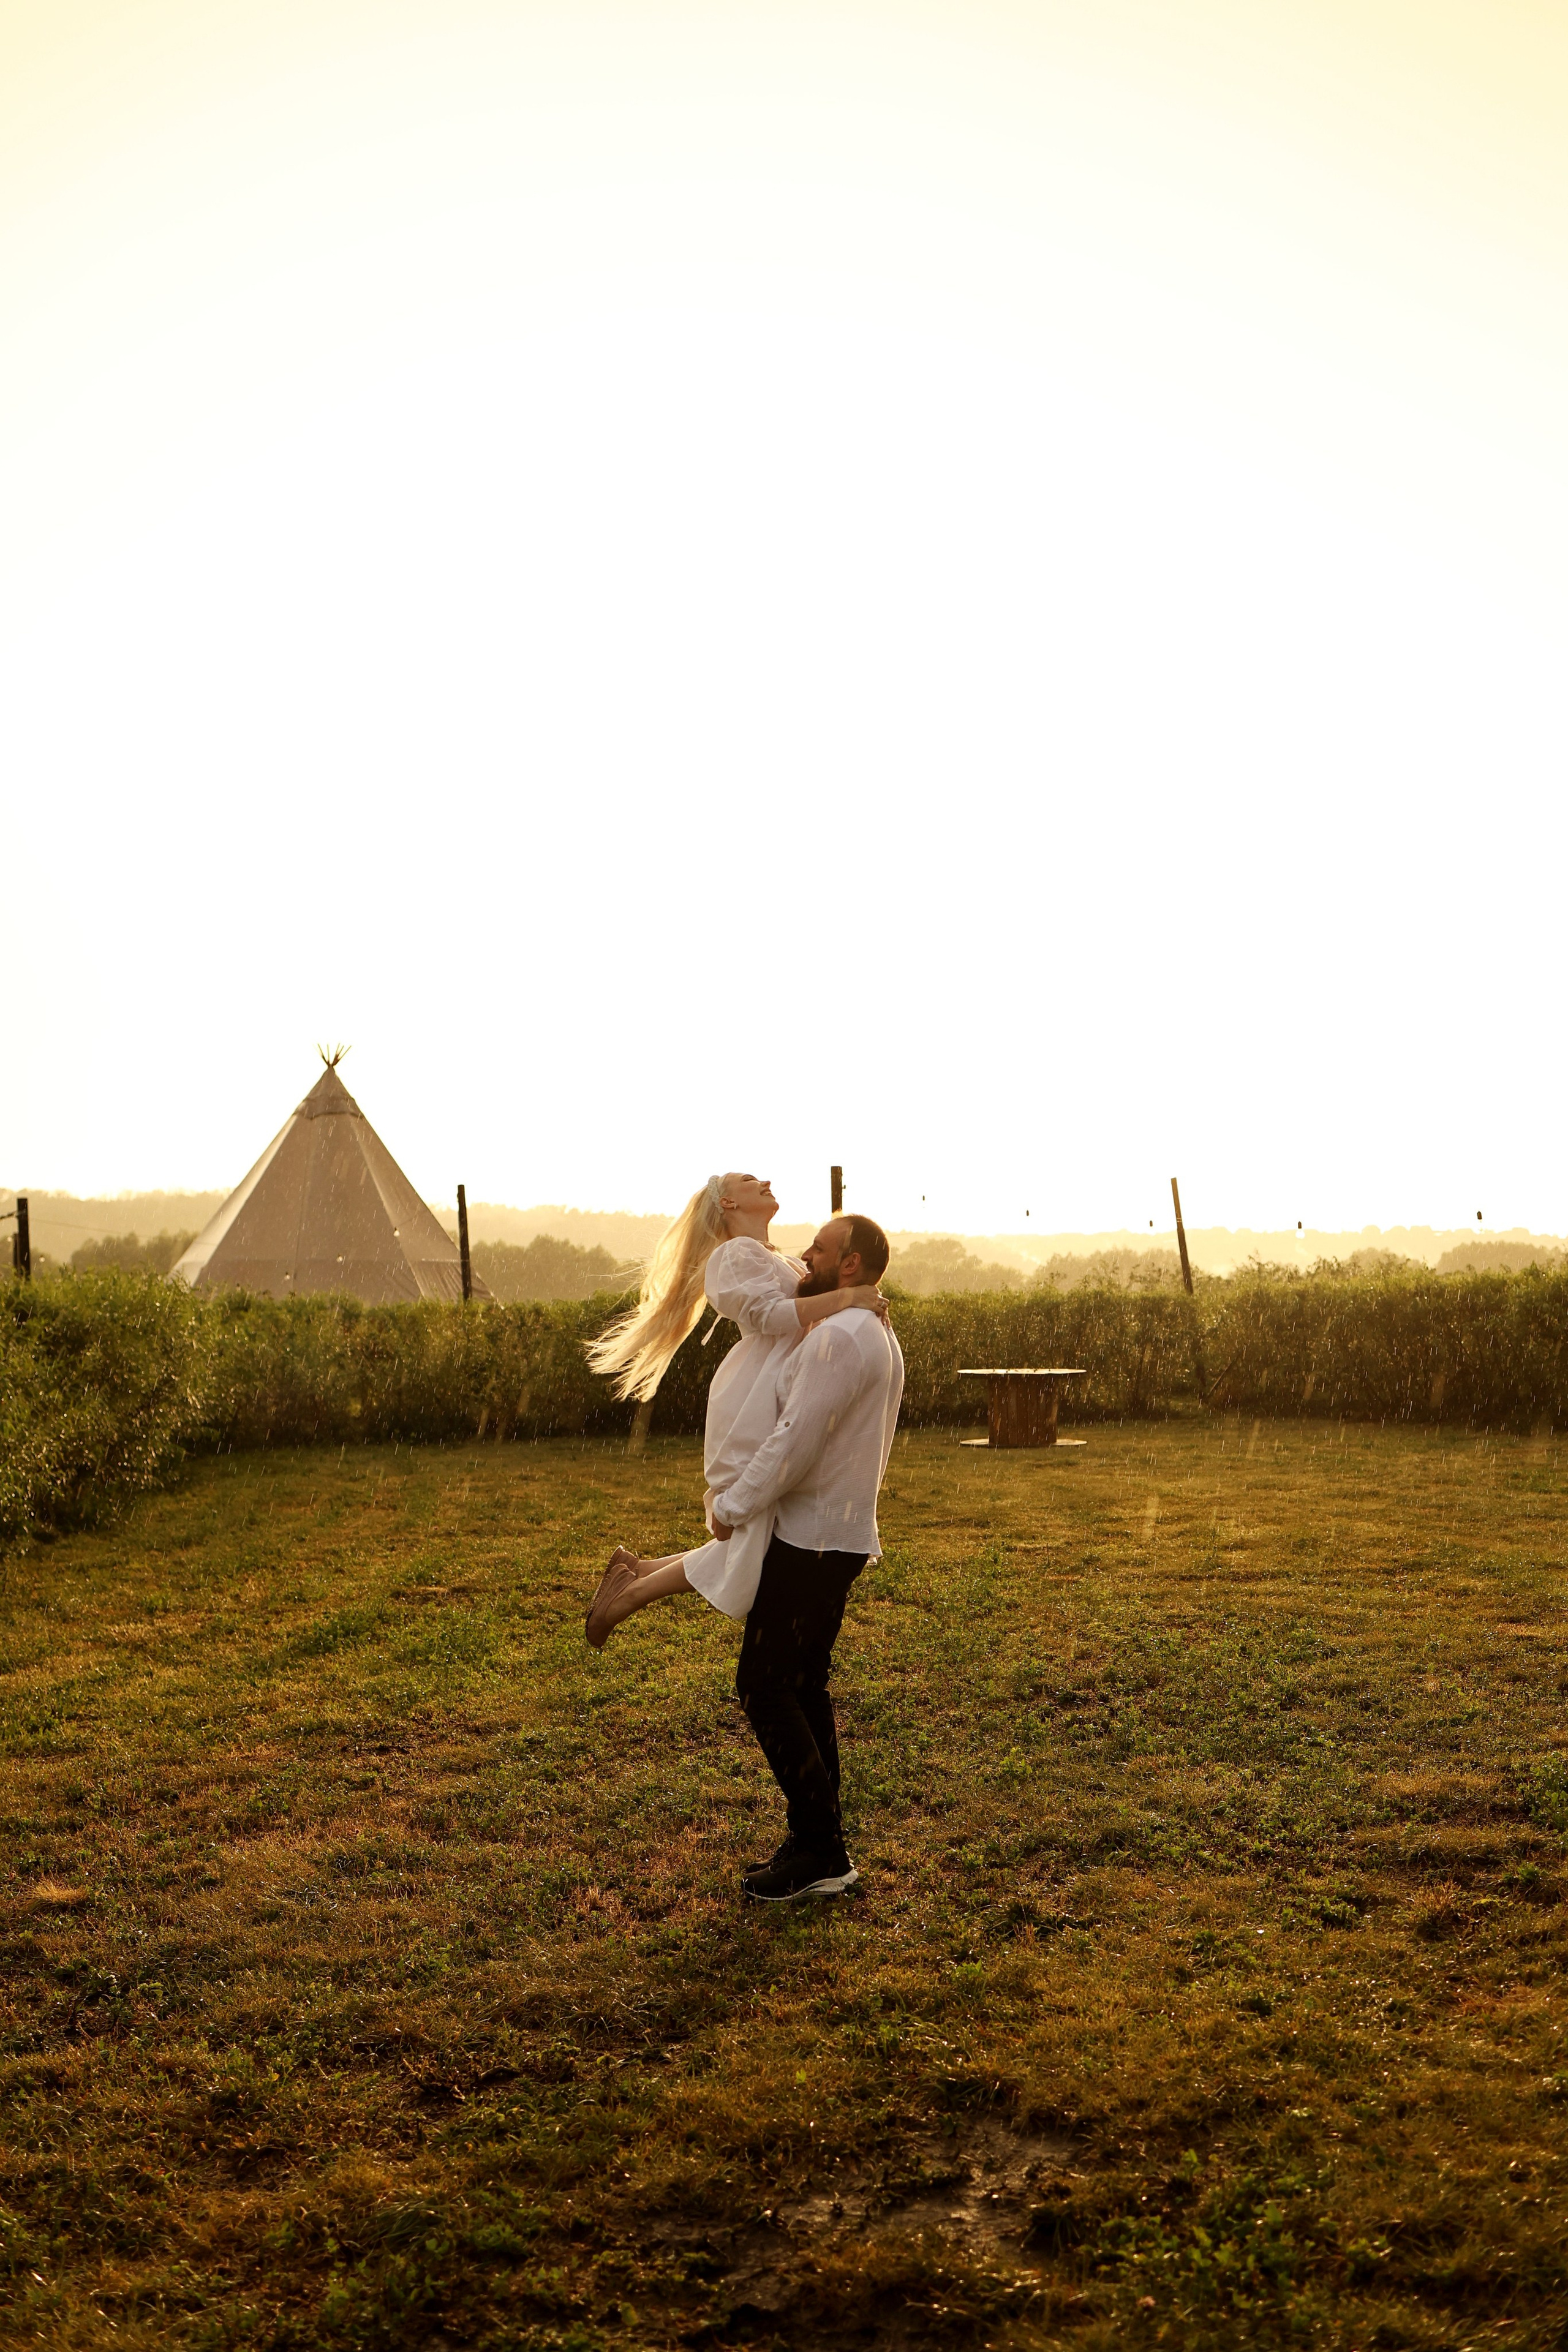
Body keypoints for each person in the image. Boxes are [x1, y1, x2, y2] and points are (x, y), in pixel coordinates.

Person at [583, 1174, 885, 1644]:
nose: (765, 1180)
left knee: (756, 1537)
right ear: (726, 1202)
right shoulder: (733, 1254)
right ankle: (629, 1595)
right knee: (750, 1533)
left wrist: (860, 1305)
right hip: (754, 1396)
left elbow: (813, 1309)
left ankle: (635, 1576)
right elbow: (769, 1316)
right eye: (749, 1180)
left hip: (775, 1388)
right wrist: (849, 1296)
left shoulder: (772, 1256)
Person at [713, 1214, 903, 1902]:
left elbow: (796, 1443)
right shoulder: (865, 1327)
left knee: (764, 1687)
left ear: (849, 1264)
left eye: (819, 1250)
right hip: (836, 1534)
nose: (805, 1255)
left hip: (816, 1537)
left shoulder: (845, 1337)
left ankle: (821, 1847)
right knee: (802, 1687)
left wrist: (731, 1505)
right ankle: (818, 1842)